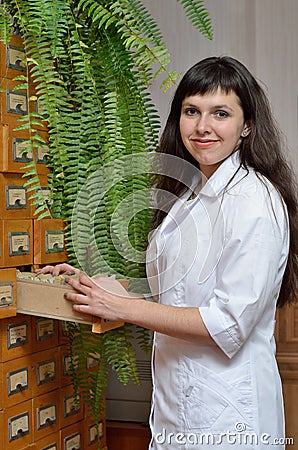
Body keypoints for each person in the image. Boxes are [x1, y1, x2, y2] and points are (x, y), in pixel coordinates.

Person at [37, 56, 298, 449]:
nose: (202, 126)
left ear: (247, 125)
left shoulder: (252, 200)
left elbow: (226, 324)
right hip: (178, 408)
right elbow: (171, 297)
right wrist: (90, 286)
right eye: (191, 111)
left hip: (229, 415)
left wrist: (122, 309)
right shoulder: (187, 198)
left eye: (220, 113)